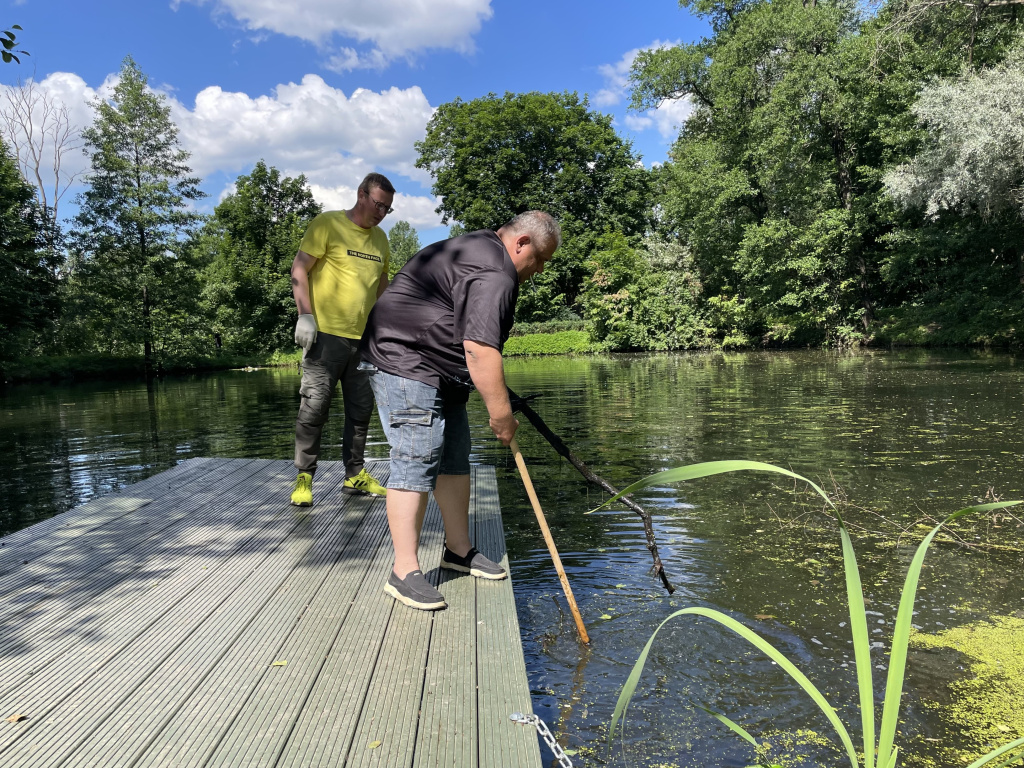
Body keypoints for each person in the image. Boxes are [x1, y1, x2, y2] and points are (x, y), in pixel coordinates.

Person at [359, 211, 561, 610]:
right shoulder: (495, 270)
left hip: (442, 368)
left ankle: (458, 550)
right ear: (521, 243)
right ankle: (403, 571)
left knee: (453, 456)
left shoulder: (482, 249)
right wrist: (501, 416)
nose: (539, 269)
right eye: (539, 259)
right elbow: (480, 348)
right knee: (416, 455)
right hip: (404, 358)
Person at [289, 172, 395, 506]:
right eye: (378, 204)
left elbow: (381, 286)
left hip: (364, 342)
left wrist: (388, 327)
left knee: (361, 411)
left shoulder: (381, 239)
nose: (381, 213)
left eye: (387, 208)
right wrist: (305, 315)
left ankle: (354, 475)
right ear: (361, 195)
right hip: (325, 337)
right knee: (314, 406)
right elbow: (299, 269)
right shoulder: (328, 224)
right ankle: (304, 477)